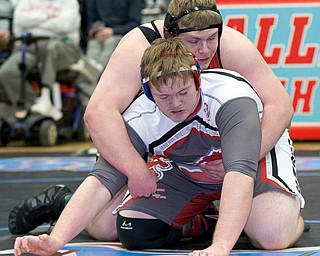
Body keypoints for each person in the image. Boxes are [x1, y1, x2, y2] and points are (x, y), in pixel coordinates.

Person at [9, 0, 297, 252]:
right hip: (175, 140)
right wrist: (136, 172)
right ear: (169, 38)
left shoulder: (229, 62)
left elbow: (280, 106)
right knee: (114, 226)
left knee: (272, 232)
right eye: (193, 42)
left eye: (211, 39)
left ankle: (268, 213)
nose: (204, 50)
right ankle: (197, 219)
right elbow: (99, 114)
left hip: (240, 138)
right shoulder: (139, 58)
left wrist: (243, 157)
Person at [0, 0, 81, 120]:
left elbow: (65, 25)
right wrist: (47, 17)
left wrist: (33, 21)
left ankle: (46, 96)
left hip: (63, 45)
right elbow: (19, 19)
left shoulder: (69, 2)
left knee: (51, 48)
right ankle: (35, 105)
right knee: (7, 72)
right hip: (29, 46)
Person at [85, 0, 143, 68]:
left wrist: (113, 31)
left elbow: (135, 23)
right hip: (100, 33)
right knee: (93, 44)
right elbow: (91, 21)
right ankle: (90, 73)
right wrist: (96, 31)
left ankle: (99, 74)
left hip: (121, 33)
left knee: (110, 43)